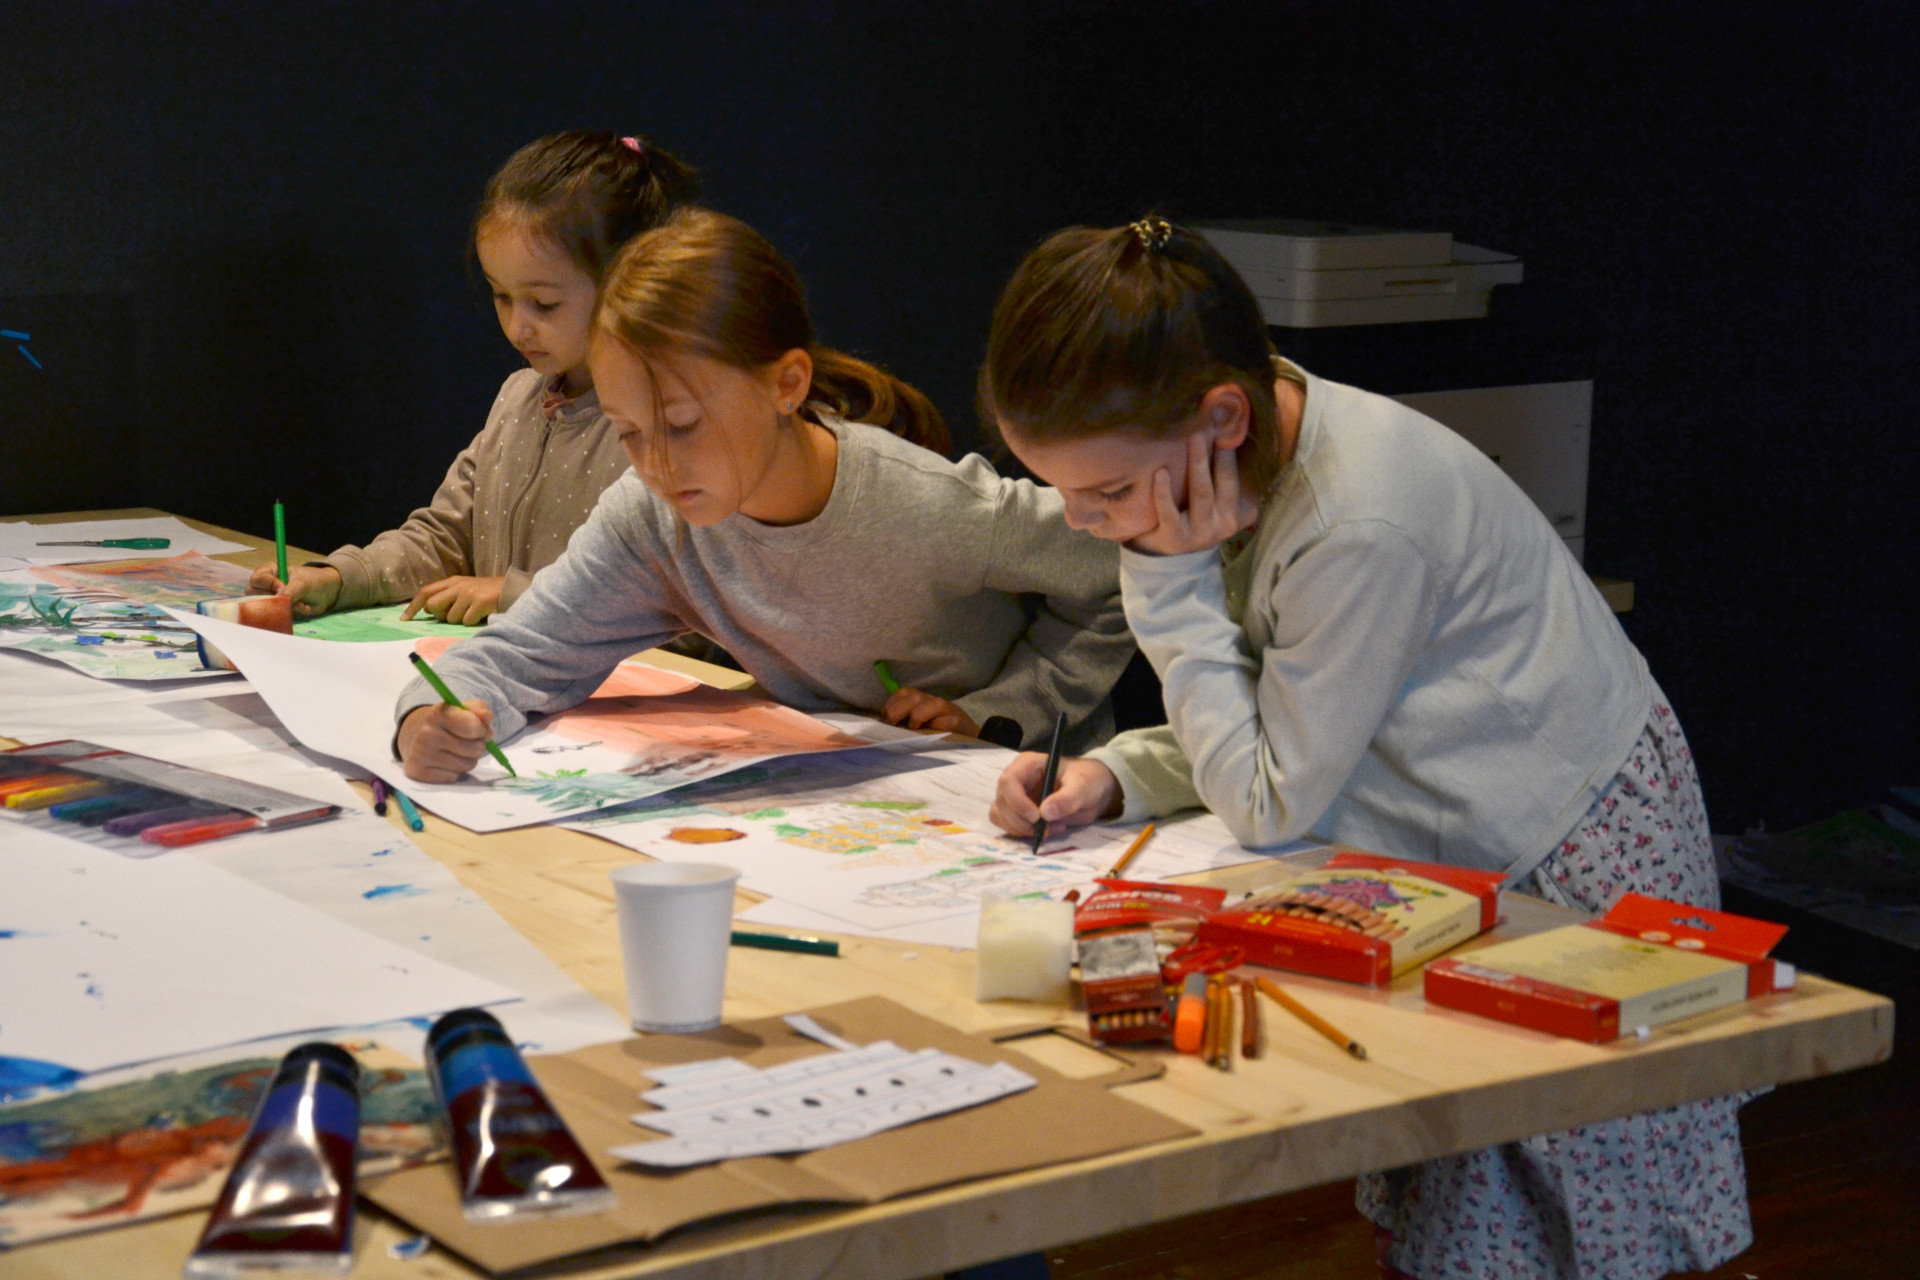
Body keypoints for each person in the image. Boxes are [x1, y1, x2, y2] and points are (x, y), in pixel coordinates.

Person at [981, 216, 1750, 1280]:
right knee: (1454, 1220)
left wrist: (1163, 579)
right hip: (1449, 826)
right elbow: (1278, 700)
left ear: (1223, 415)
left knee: (1554, 1228)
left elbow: (1268, 801)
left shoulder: (1354, 523)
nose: (1081, 520)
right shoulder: (1250, 450)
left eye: (1107, 493)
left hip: (1559, 849)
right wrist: (1115, 771)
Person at [395, 207, 1133, 781]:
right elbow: (521, 652)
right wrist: (429, 716)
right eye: (628, 433)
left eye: (683, 425)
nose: (656, 464)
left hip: (1022, 797)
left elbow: (1119, 565)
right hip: (853, 794)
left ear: (786, 384)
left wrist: (1000, 710)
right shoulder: (653, 518)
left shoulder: (927, 506)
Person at [252, 131, 697, 624]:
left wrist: (513, 594)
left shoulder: (663, 425)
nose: (517, 326)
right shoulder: (518, 397)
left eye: (544, 303)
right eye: (501, 296)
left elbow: (682, 606)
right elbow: (444, 537)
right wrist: (341, 577)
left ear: (628, 279)